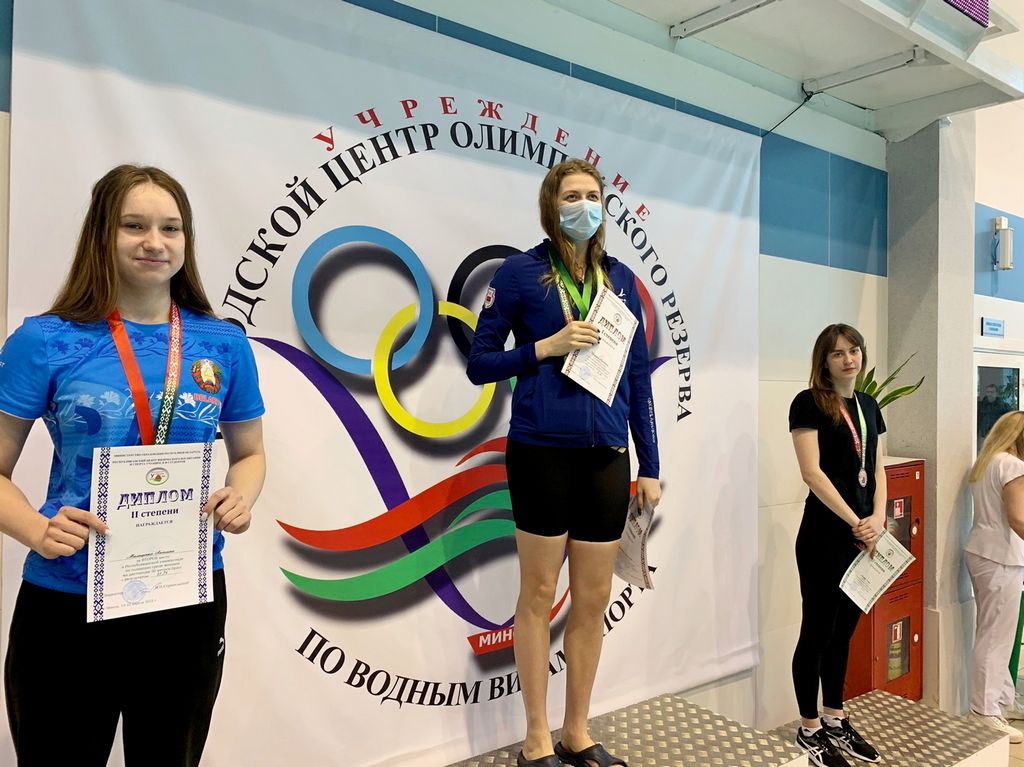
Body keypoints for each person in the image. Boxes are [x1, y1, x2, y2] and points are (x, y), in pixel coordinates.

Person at [0, 165, 266, 766]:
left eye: (171, 228)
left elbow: (250, 454)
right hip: (69, 594)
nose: (155, 242)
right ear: (102, 233)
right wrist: (35, 530)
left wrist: (240, 495)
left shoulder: (223, 343)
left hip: (185, 596)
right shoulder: (44, 340)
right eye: (134, 226)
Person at [467, 159, 660, 767]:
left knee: (594, 596)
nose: (583, 205)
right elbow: (479, 362)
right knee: (539, 592)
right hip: (541, 453)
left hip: (606, 456)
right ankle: (536, 737)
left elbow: (638, 378)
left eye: (592, 195)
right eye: (571, 196)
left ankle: (577, 731)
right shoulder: (520, 273)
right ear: (552, 206)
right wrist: (544, 348)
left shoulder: (621, 280)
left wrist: (650, 463)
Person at [789, 324, 885, 767]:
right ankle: (809, 728)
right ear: (823, 362)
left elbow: (876, 468)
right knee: (817, 631)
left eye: (854, 350)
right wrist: (856, 521)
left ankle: (834, 719)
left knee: (843, 632)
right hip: (824, 536)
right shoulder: (809, 402)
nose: (848, 359)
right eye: (837, 353)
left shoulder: (869, 405)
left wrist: (877, 518)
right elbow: (812, 473)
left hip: (863, 537)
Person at [965, 410, 1024, 743]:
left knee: (992, 631)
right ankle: (985, 711)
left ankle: (996, 703)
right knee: (997, 636)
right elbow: (1018, 518)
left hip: (981, 551)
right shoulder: (1013, 466)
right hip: (1002, 557)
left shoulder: (986, 462)